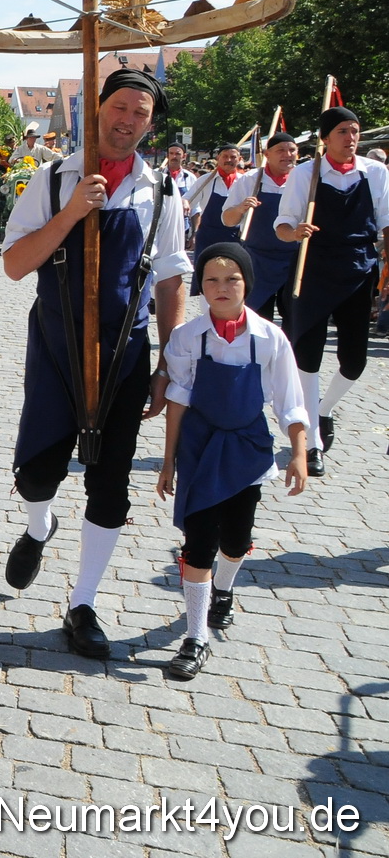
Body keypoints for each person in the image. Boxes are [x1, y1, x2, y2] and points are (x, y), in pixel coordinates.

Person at [0, 68, 188, 661]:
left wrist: (168, 364)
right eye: (121, 107)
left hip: (125, 354)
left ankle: (82, 604)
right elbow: (13, 265)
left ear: (150, 125)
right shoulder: (54, 180)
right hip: (57, 343)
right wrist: (71, 215)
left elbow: (171, 277)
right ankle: (38, 525)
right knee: (35, 471)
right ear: (98, 108)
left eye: (142, 113)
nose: (129, 120)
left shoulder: (162, 192)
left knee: (110, 485)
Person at [155, 241, 307, 679]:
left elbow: (289, 400)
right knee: (198, 541)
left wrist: (298, 452)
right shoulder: (187, 338)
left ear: (247, 284)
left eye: (232, 279)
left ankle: (224, 587)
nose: (222, 288)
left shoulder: (269, 338)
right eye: (212, 280)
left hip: (246, 449)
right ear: (201, 287)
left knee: (236, 540)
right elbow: (178, 398)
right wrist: (169, 461)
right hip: (200, 449)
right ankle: (196, 637)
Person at [273, 106, 389, 475]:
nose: (351, 138)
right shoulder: (305, 175)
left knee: (355, 361)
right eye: (342, 131)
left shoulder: (375, 173)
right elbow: (282, 223)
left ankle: (322, 409)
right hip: (313, 270)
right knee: (308, 356)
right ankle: (311, 442)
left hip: (357, 270)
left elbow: (386, 223)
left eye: (355, 131)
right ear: (325, 138)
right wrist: (295, 232)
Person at [221, 132, 300, 321]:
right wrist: (241, 208)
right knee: (257, 318)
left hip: (294, 259)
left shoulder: (303, 179)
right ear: (266, 154)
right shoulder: (250, 180)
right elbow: (227, 220)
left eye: (292, 150)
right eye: (280, 150)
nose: (287, 155)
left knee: (294, 318)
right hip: (257, 260)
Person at [184, 143, 243, 282]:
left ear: (239, 159)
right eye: (225, 156)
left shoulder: (245, 182)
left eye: (233, 157)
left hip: (235, 238)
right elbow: (188, 200)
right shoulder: (205, 180)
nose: (229, 160)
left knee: (233, 278)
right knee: (207, 278)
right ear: (218, 158)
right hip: (208, 238)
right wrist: (184, 203)